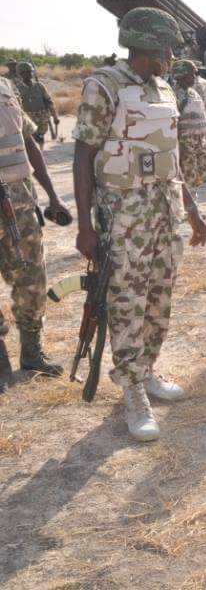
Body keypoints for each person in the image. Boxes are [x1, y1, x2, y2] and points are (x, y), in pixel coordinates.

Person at [72, 7, 206, 441]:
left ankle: (146, 370)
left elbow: (170, 161)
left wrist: (191, 207)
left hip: (164, 213)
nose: (172, 56)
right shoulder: (104, 86)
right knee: (127, 303)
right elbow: (83, 157)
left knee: (158, 299)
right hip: (124, 218)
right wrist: (86, 228)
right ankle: (131, 391)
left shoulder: (164, 88)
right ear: (146, 45)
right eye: (167, 47)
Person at [0, 74, 72, 392]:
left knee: (32, 283)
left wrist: (54, 196)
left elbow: (28, 141)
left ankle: (32, 355)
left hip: (21, 208)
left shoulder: (5, 87)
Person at [169, 60, 206, 191]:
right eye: (191, 75)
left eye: (195, 74)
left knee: (200, 172)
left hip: (200, 142)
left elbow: (205, 114)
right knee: (187, 176)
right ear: (180, 76)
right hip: (185, 144)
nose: (194, 77)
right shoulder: (176, 95)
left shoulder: (194, 93)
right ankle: (189, 208)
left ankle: (193, 203)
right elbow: (173, 122)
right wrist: (178, 146)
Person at [16, 62, 58, 145]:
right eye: (27, 72)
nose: (30, 74)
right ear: (21, 74)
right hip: (28, 119)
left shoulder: (39, 86)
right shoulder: (17, 89)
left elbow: (49, 101)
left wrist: (55, 116)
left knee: (41, 138)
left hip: (42, 117)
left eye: (30, 72)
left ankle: (40, 154)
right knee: (31, 140)